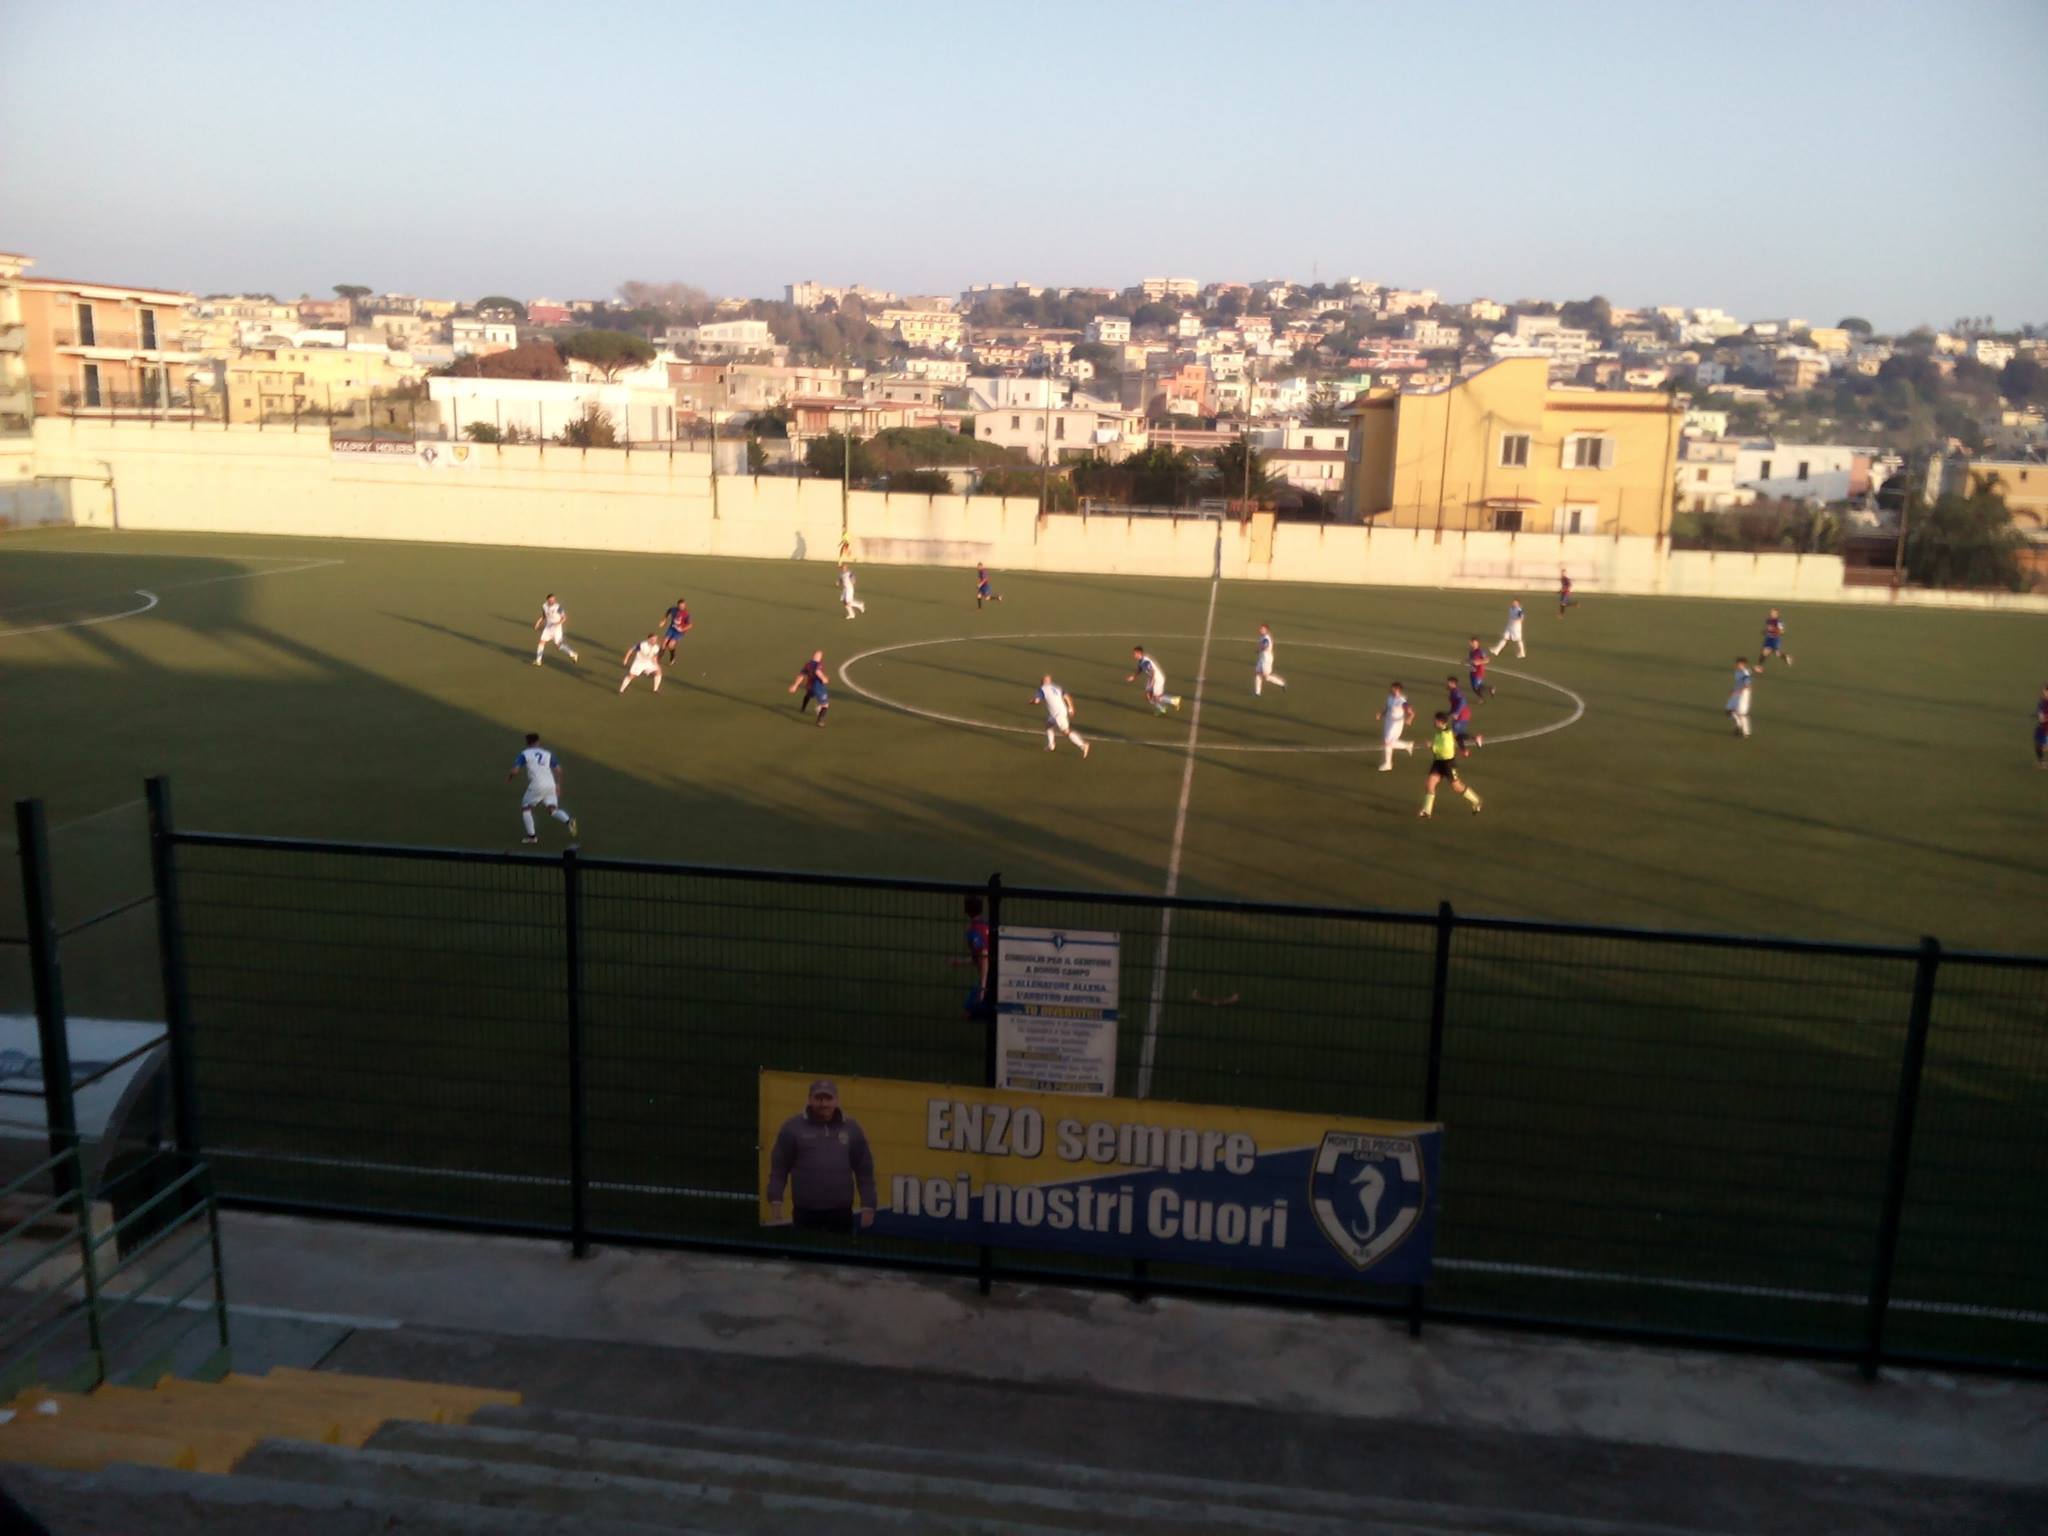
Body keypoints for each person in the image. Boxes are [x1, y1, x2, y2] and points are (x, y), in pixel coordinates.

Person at [766, 1079, 877, 1234]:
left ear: (837, 1100)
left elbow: (864, 1170)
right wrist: (776, 1202)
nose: (823, 1104)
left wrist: (868, 1206)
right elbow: (779, 1168)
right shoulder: (792, 1127)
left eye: (828, 1099)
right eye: (818, 1098)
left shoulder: (852, 1128)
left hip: (841, 1212)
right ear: (809, 1100)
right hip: (805, 1212)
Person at [506, 732, 578, 845]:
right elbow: (559, 770)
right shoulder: (547, 754)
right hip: (550, 784)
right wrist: (558, 785)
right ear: (538, 742)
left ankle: (532, 837)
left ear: (527, 743)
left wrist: (509, 778)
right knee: (552, 810)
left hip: (537, 785)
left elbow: (515, 770)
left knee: (526, 808)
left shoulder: (525, 753)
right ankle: (569, 821)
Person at [1419, 712, 1482, 819]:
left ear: (1440, 722)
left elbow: (1446, 751)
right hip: (1438, 762)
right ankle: (1427, 811)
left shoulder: (1446, 734)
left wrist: (1431, 747)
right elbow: (1458, 736)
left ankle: (1477, 801)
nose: (1433, 722)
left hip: (1448, 764)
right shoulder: (1441, 732)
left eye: (1435, 720)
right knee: (1430, 784)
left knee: (1456, 787)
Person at [1034, 675, 1090, 756]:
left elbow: (1036, 701)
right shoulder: (1057, 688)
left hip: (1058, 714)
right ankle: (1051, 745)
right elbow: (1067, 697)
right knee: (1048, 725)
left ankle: (1083, 745)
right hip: (1061, 711)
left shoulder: (1042, 689)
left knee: (1066, 731)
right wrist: (1070, 708)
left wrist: (1032, 701)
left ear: (1042, 682)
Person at [1126, 646, 1183, 715]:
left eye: (1134, 653)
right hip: (1152, 679)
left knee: (1157, 697)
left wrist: (1151, 684)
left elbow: (1152, 672)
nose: (1133, 655)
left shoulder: (1146, 661)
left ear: (1139, 653)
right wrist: (1134, 676)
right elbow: (1140, 668)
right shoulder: (1141, 660)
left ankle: (1174, 701)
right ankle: (1162, 708)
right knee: (1149, 696)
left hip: (1157, 679)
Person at [960, 895, 992, 1015]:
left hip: (989, 976)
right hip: (996, 973)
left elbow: (983, 955)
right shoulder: (986, 924)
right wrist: (960, 962)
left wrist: (983, 986)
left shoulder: (973, 930)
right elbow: (980, 957)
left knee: (969, 1012)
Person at [1376, 682, 1416, 772]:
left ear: (1398, 690)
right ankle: (1407, 745)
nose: (1391, 690)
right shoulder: (1389, 698)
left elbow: (1411, 712)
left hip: (1396, 724)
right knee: (1388, 742)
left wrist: (1410, 719)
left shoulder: (1402, 701)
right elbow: (1387, 709)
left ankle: (1388, 763)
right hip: (1388, 722)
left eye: (1393, 688)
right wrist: (1381, 714)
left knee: (1388, 742)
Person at [532, 594, 578, 667]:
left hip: (557, 629)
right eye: (551, 600)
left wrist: (558, 624)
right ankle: (538, 661)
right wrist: (538, 623)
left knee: (558, 645)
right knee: (541, 642)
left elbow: (564, 618)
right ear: (547, 600)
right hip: (548, 627)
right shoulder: (544, 606)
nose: (553, 601)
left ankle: (573, 654)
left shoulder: (558, 607)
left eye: (554, 599)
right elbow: (544, 616)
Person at [790, 649, 830, 726]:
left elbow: (801, 675)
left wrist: (795, 686)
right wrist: (823, 678)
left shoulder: (807, 664)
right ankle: (820, 721)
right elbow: (817, 671)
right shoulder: (819, 664)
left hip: (809, 685)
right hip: (818, 686)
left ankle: (803, 708)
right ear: (820, 657)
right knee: (825, 704)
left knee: (808, 694)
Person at [1445, 676, 1484, 757]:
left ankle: (1475, 738)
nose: (1446, 684)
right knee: (1458, 735)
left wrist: (1456, 713)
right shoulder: (1453, 692)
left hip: (1462, 714)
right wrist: (1449, 713)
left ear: (1452, 683)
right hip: (1463, 714)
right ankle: (1464, 751)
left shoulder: (1455, 692)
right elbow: (1455, 705)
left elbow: (1462, 701)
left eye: (1448, 682)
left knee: (1457, 735)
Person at [1253, 623, 1288, 696]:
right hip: (1262, 658)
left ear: (1266, 630)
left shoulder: (1266, 637)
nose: (1260, 629)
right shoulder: (1262, 636)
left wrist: (1258, 650)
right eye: (1260, 628)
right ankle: (1257, 692)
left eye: (1262, 629)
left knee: (1266, 677)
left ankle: (1282, 683)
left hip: (1267, 659)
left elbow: (1265, 646)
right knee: (1257, 673)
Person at [1727, 657, 1754, 738]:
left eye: (1738, 663)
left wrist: (1736, 692)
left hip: (1744, 695)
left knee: (1742, 714)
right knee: (1729, 711)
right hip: (1737, 692)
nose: (1736, 665)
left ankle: (1746, 732)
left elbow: (1747, 686)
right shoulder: (1738, 671)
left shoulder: (1745, 674)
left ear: (1743, 664)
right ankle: (1739, 724)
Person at [660, 597, 693, 663]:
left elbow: (690, 625)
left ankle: (672, 657)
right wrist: (664, 620)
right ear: (677, 605)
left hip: (679, 632)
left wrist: (682, 629)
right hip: (672, 628)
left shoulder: (686, 614)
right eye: (680, 606)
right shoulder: (673, 609)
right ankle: (658, 659)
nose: (682, 607)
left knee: (670, 645)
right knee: (664, 642)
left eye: (683, 606)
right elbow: (668, 612)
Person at [1466, 636, 1494, 701]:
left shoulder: (1480, 651)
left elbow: (1487, 660)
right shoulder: (1471, 651)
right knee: (1474, 687)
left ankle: (1482, 698)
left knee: (1476, 687)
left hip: (1479, 671)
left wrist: (1479, 662)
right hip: (1472, 671)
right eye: (1471, 642)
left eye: (1473, 642)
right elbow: (1471, 660)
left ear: (1477, 643)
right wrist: (1465, 661)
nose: (1472, 644)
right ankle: (1489, 689)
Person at [2036, 684, 2047, 770]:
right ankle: (2042, 763)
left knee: (2044, 746)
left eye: (2045, 691)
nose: (2042, 692)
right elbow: (2041, 718)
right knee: (2038, 745)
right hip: (2042, 728)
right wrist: (2041, 717)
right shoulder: (2041, 703)